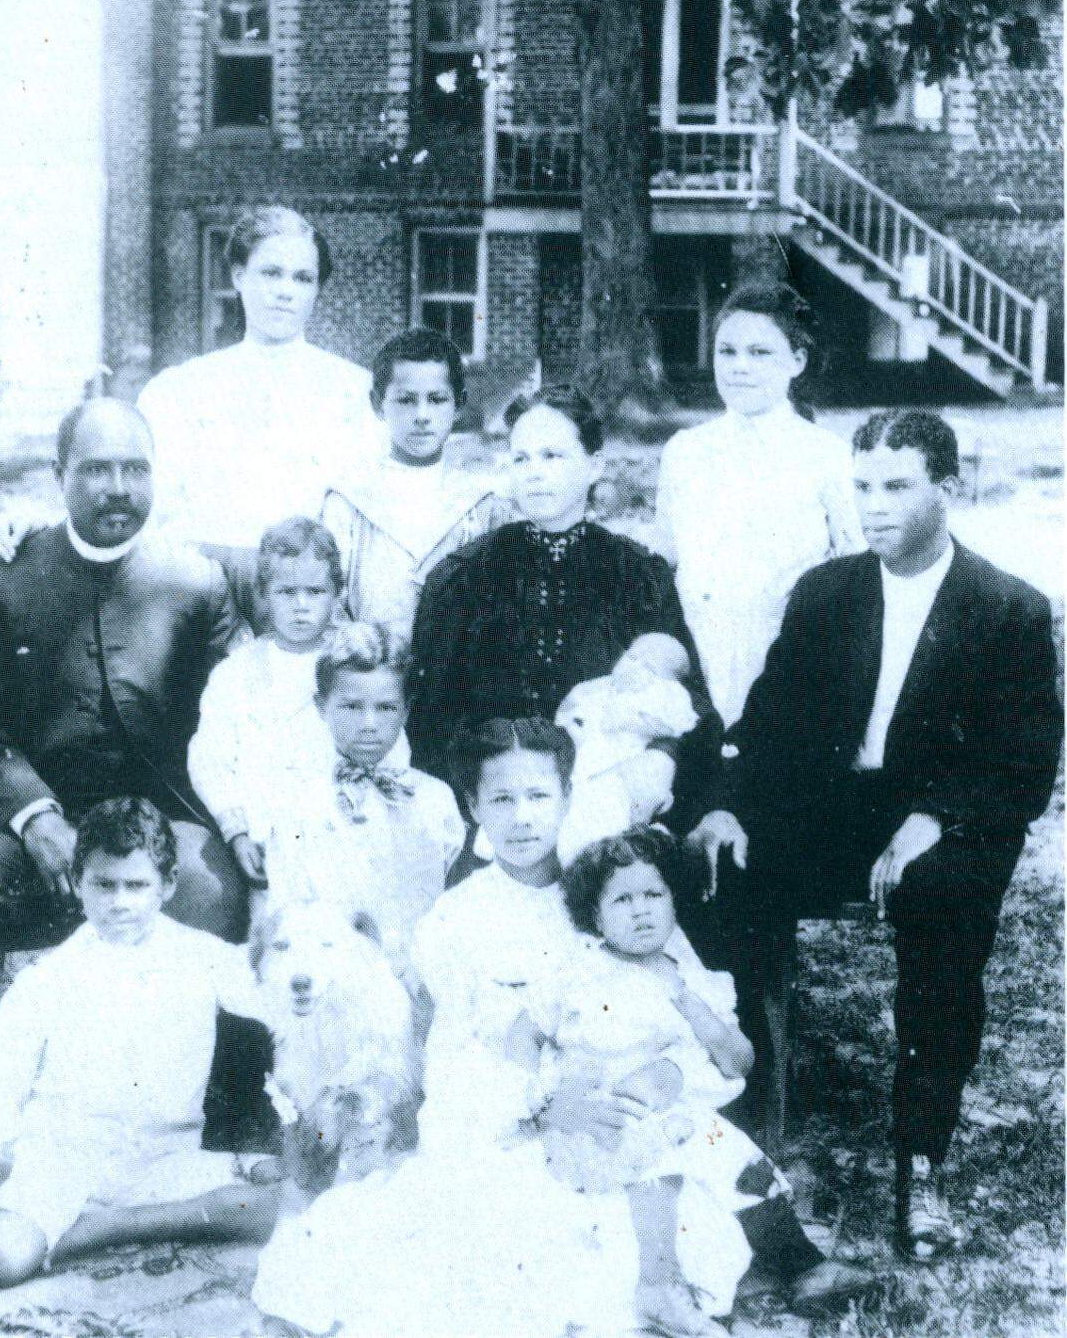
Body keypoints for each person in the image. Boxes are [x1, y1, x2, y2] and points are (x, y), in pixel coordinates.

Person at [251, 719, 873, 1336]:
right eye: (501, 799)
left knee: (705, 1160)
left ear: (567, 799)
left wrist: (671, 1074)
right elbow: (466, 1055)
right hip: (515, 1127)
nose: (521, 818)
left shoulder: (613, 892)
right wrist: (551, 1108)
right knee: (529, 1248)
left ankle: (792, 1261)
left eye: (538, 796)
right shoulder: (457, 919)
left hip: (639, 1110)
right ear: (472, 807)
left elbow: (689, 1008)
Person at [689, 410, 1062, 1262]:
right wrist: (729, 804)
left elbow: (1025, 764)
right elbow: (771, 721)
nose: (874, 506)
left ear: (948, 488)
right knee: (721, 866)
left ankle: (920, 1156)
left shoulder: (1006, 607)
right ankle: (744, 1129)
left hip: (950, 812)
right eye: (862, 486)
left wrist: (935, 816)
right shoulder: (829, 591)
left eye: (897, 486)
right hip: (835, 807)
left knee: (941, 904)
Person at [0, 398, 251, 1153]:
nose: (117, 488)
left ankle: (211, 1120)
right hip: (38, 817)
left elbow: (245, 707)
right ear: (58, 476)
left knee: (213, 888)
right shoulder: (6, 576)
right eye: (96, 469)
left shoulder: (196, 578)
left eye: (134, 469)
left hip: (160, 816)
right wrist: (36, 816)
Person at [0, 798, 279, 1289]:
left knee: (290, 1205)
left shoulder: (205, 958)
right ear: (78, 885)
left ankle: (97, 1231)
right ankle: (23, 1207)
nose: (120, 903)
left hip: (166, 1160)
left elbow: (276, 1015)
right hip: (65, 1160)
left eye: (136, 885)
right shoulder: (50, 978)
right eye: (104, 885)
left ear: (166, 887)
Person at [408, 386, 723, 836]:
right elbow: (429, 721)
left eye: (552, 456)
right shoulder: (464, 577)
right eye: (522, 459)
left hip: (606, 819)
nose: (534, 474)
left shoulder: (636, 575)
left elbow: (693, 709)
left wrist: (659, 760)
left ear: (594, 465)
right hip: (488, 819)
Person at [508, 828, 764, 1334]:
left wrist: (686, 1000)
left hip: (664, 1111)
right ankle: (660, 1289)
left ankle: (767, 1263)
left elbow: (739, 1061)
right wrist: (546, 1096)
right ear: (594, 915)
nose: (642, 910)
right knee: (651, 1142)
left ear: (673, 899)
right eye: (621, 900)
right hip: (588, 1114)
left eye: (654, 894)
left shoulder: (692, 980)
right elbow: (521, 1040)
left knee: (723, 1156)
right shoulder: (576, 970)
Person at [136, 206, 380, 622]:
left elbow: (369, 515)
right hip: (201, 597)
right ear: (238, 276)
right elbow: (150, 510)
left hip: (306, 601)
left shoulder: (356, 391)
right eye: (271, 273)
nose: (286, 291)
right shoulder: (179, 389)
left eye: (302, 278)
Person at [655, 282, 865, 728]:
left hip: (792, 671)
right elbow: (668, 567)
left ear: (797, 360)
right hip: (700, 665)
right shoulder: (685, 451)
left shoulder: (828, 456)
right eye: (726, 352)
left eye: (760, 353)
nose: (739, 367)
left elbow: (858, 575)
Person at [262, 622, 464, 967]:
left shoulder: (435, 799)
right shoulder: (297, 802)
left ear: (406, 710)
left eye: (386, 707)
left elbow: (449, 901)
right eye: (352, 707)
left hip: (420, 979)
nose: (369, 723)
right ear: (321, 706)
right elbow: (290, 909)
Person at [188, 517, 343, 911]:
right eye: (286, 591)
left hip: (344, 831)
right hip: (266, 833)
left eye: (315, 591)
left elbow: (387, 745)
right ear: (263, 594)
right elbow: (211, 760)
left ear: (336, 595)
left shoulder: (352, 666)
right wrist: (237, 831)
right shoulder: (237, 674)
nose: (301, 605)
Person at [321, 327, 516, 635]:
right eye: (406, 400)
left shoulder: (482, 503)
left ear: (459, 405)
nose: (422, 415)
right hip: (370, 672)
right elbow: (328, 605)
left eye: (437, 399)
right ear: (377, 404)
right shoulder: (349, 500)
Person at [554, 632, 700, 864]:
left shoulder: (666, 695)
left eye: (650, 669)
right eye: (632, 657)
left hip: (622, 768)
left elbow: (681, 723)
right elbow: (567, 710)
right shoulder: (598, 687)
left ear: (669, 682)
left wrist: (635, 720)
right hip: (582, 758)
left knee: (605, 815)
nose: (635, 667)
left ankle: (581, 857)